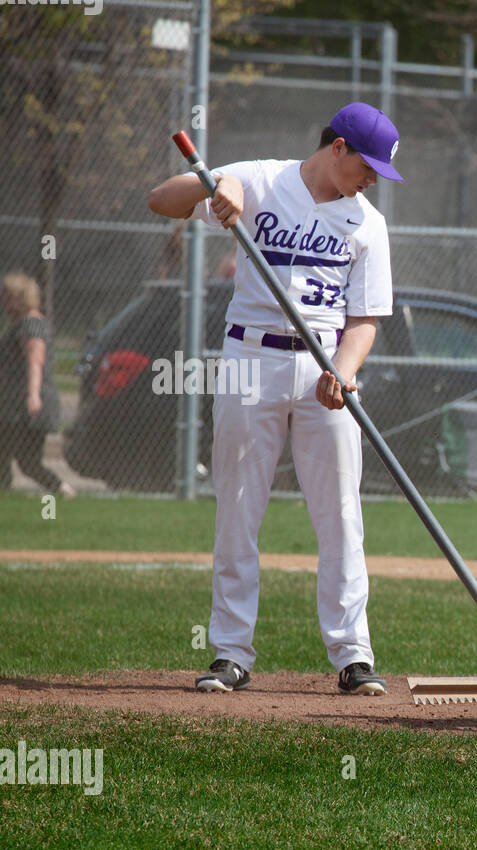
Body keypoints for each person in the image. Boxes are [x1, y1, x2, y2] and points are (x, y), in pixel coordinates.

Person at [147, 102, 402, 696]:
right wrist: (222, 186)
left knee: (340, 513)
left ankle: (354, 656)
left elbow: (364, 320)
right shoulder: (263, 179)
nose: (371, 181)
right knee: (238, 507)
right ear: (336, 147)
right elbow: (162, 198)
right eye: (367, 166)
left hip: (324, 368)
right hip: (249, 360)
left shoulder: (368, 224)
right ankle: (230, 653)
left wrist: (343, 370)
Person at [1, 271, 73, 498]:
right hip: (15, 403)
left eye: (7, 295)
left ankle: (62, 490)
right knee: (16, 458)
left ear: (19, 297)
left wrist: (33, 395)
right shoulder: (26, 323)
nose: (3, 300)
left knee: (25, 460)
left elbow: (35, 359)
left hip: (24, 405)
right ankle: (58, 490)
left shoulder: (30, 325)